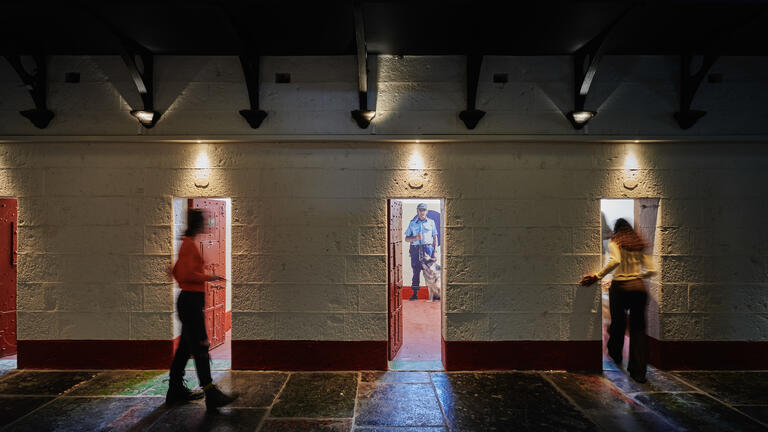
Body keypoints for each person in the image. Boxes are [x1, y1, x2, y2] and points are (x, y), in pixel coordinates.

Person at [167, 208, 237, 411]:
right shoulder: (189, 244)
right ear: (198, 223)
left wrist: (201, 275)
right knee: (200, 347)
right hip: (190, 302)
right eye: (204, 222)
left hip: (189, 301)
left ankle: (175, 390)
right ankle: (210, 393)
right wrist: (209, 277)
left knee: (184, 350)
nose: (207, 225)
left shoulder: (187, 243)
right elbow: (184, 273)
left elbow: (175, 271)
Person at [580, 218, 656, 383]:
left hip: (620, 288)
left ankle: (615, 354)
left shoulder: (615, 242)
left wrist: (598, 276)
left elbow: (616, 260)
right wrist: (636, 276)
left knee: (618, 323)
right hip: (639, 289)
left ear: (616, 230)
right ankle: (639, 372)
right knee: (638, 329)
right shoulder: (639, 244)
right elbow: (651, 270)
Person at [404, 203, 438, 301]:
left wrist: (434, 252)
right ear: (417, 211)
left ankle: (434, 295)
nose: (422, 212)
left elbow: (435, 238)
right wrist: (415, 238)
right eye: (420, 210)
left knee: (430, 272)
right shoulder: (412, 223)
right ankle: (415, 294)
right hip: (415, 249)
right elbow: (406, 238)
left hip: (428, 249)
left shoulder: (431, 222)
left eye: (423, 210)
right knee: (416, 271)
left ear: (426, 211)